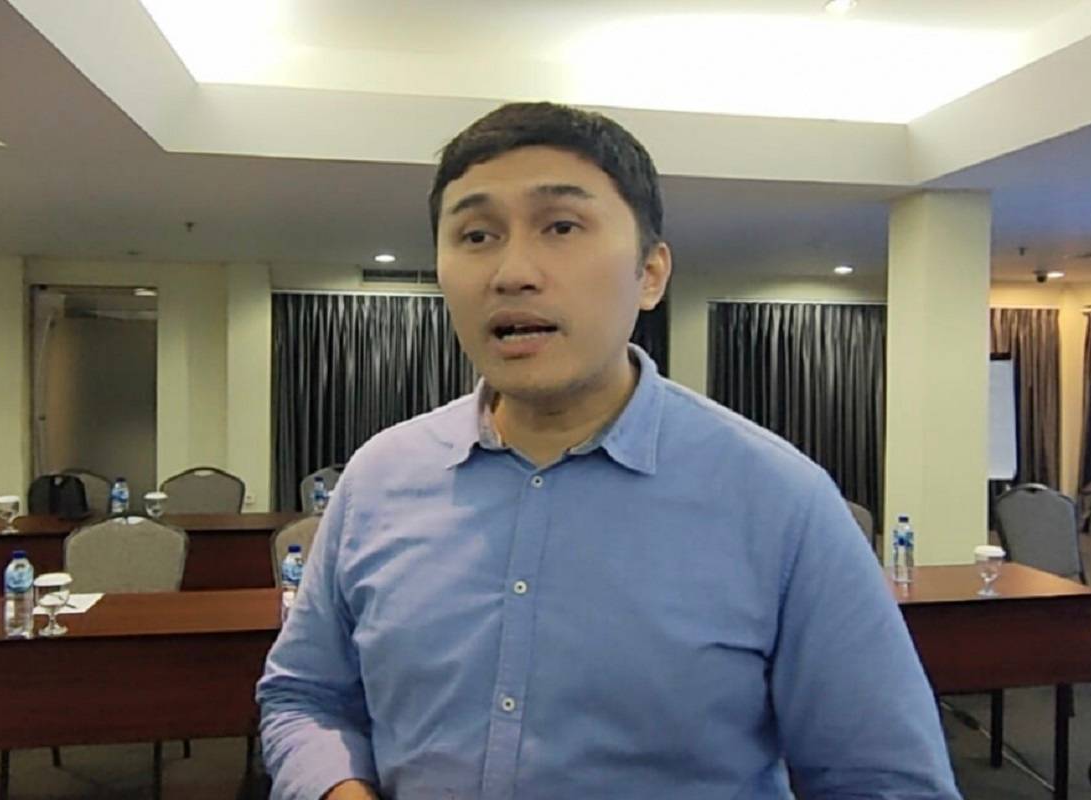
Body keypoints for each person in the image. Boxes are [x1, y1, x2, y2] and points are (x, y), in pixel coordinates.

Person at [257, 102, 960, 800]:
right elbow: (304, 695)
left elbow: (887, 781)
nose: (512, 271)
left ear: (650, 273)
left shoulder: (782, 500)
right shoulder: (378, 479)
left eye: (561, 227)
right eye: (476, 235)